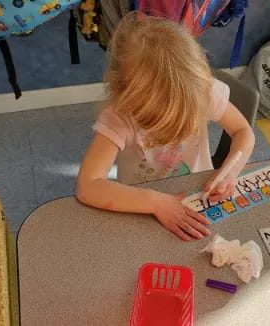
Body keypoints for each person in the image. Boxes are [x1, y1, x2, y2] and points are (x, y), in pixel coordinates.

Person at [77, 13, 255, 241]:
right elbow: (88, 186)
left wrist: (230, 172)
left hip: (196, 190)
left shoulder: (203, 91)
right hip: (139, 201)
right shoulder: (120, 116)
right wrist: (155, 202)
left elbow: (243, 133)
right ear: (127, 98)